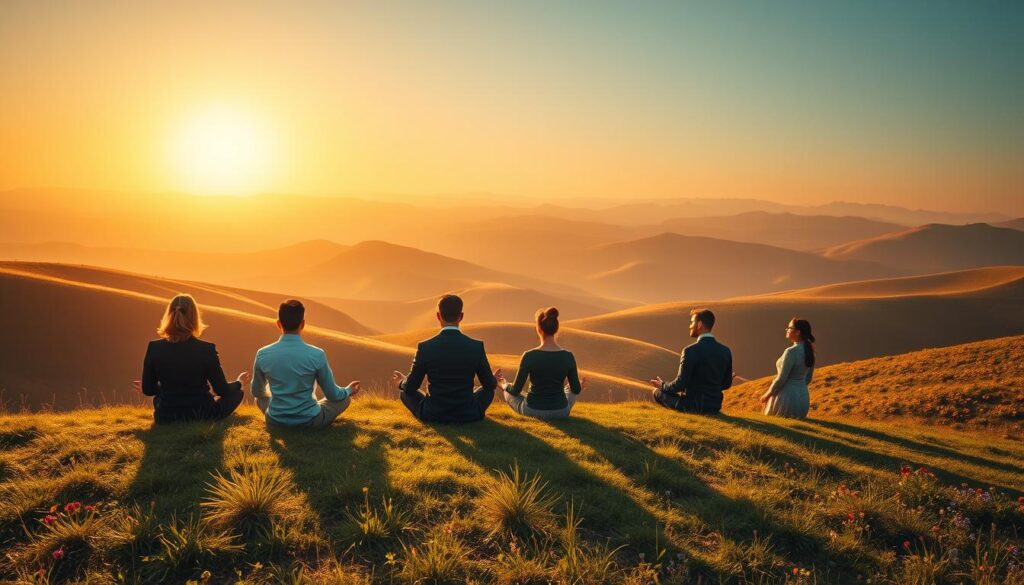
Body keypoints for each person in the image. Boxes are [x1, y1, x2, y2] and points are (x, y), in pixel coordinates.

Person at [136, 294, 247, 424]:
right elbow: (221, 390)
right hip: (202, 414)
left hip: (166, 417)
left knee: (159, 397)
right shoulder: (206, 349)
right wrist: (239, 382)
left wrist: (155, 387)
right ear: (195, 318)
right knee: (237, 393)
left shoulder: (154, 348)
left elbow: (148, 390)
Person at [251, 299, 360, 428]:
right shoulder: (317, 354)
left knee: (259, 399)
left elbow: (257, 392)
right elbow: (332, 394)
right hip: (309, 421)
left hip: (275, 420)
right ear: (303, 324)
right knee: (344, 398)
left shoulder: (263, 353)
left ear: (279, 324)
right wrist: (348, 390)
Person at [391, 294, 499, 423]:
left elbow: (411, 387)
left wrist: (401, 383)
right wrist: (493, 379)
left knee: (404, 393)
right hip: (468, 413)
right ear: (461, 316)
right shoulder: (476, 346)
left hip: (433, 414)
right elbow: (489, 385)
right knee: (488, 391)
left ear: (438, 316)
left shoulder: (425, 347)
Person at [497, 307, 586, 420]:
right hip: (561, 412)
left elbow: (515, 390)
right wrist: (578, 384)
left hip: (533, 410)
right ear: (556, 329)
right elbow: (576, 390)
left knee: (507, 392)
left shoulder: (529, 356)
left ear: (538, 329)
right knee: (570, 391)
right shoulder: (568, 356)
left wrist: (503, 383)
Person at [649, 308, 733, 414]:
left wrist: (663, 385)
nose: (690, 326)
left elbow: (679, 385)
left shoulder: (690, 351)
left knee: (657, 392)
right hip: (715, 407)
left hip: (692, 406)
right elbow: (726, 384)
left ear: (699, 324)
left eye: (692, 322)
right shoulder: (725, 351)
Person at [760, 318, 815, 418]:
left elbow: (782, 378)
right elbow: (808, 378)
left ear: (797, 332)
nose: (787, 330)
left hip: (786, 400)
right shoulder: (809, 350)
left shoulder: (791, 351)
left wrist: (767, 395)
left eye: (789, 327)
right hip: (802, 401)